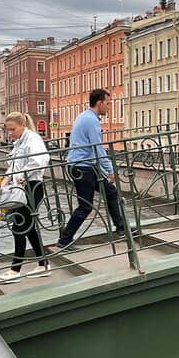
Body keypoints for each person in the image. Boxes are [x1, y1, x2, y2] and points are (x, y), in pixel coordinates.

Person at [57, 89, 128, 248]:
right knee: (85, 207)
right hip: (82, 167)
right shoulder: (91, 121)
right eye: (107, 104)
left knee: (111, 192)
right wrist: (110, 170)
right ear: (99, 103)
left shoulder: (85, 116)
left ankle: (121, 228)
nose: (109, 107)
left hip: (83, 166)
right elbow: (97, 148)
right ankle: (64, 240)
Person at [0, 113, 52, 282]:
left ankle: (15, 270)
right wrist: (5, 180)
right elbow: (14, 165)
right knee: (29, 227)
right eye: (8, 130)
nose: (10, 133)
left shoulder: (33, 139)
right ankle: (43, 264)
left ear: (22, 125)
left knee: (19, 227)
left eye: (12, 129)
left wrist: (21, 175)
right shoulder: (20, 142)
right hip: (22, 188)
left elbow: (39, 161)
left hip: (32, 187)